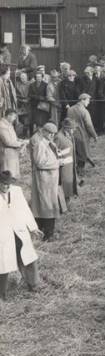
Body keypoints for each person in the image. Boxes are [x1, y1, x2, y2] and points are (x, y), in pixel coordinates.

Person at [0, 170, 41, 300]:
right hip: (3, 234)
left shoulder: (17, 191)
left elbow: (25, 209)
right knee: (3, 263)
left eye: (8, 184)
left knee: (27, 257)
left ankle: (34, 285)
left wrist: (33, 227)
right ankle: (2, 293)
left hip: (19, 230)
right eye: (3, 184)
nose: (6, 187)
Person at [29, 122, 65, 241]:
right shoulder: (40, 145)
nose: (51, 135)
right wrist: (57, 163)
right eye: (49, 133)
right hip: (44, 180)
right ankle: (47, 233)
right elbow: (39, 162)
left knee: (49, 205)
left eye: (53, 133)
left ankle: (47, 231)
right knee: (46, 206)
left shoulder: (50, 144)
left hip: (50, 180)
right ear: (43, 132)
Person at [67, 94, 98, 175]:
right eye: (88, 100)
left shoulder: (70, 109)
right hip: (82, 135)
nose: (89, 102)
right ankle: (80, 171)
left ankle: (74, 169)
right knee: (83, 152)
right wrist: (94, 136)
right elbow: (89, 125)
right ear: (82, 100)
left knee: (74, 152)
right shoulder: (84, 111)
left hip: (71, 134)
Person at [54, 119, 78, 204]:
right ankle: (62, 202)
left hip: (70, 164)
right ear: (66, 128)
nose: (74, 130)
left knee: (69, 182)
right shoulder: (58, 137)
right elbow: (54, 153)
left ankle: (67, 199)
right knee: (64, 183)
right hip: (63, 165)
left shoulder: (69, 135)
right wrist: (64, 159)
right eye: (72, 128)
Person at [0, 109, 27, 177]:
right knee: (7, 173)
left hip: (12, 152)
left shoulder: (9, 125)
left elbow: (13, 137)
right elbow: (8, 142)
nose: (15, 119)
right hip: (6, 153)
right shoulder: (2, 126)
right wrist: (20, 144)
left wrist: (20, 140)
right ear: (8, 115)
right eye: (14, 117)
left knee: (12, 172)